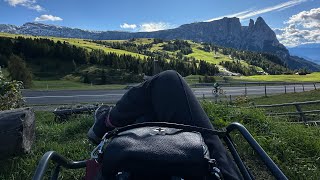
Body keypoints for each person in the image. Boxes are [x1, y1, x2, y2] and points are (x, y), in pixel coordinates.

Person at [87, 70, 241, 179]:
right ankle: (109, 120)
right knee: (150, 112)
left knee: (168, 79)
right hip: (219, 172)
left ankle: (107, 121)